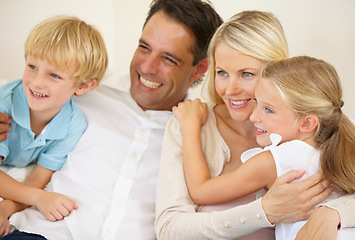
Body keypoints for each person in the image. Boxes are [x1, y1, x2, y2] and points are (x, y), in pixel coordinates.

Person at [0, 3, 355, 240]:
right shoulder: (90, 98)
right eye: (144, 47)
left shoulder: (308, 123)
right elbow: (26, 132)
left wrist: (330, 214)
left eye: (248, 74)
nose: (148, 68)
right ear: (211, 72)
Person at [0, 0, 222, 239]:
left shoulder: (203, 134)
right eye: (144, 47)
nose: (147, 67)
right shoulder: (84, 92)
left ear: (200, 69)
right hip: (42, 233)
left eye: (168, 59)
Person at [155, 11, 355, 240]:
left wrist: (331, 214)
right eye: (222, 73)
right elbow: (169, 229)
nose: (230, 89)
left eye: (246, 74)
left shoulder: (319, 125)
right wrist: (265, 212)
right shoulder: (191, 123)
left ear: (279, 69)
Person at [0, 15, 108, 235]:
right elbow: (35, 192)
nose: (37, 82)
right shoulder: (5, 106)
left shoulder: (72, 125)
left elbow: (37, 180)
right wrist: (40, 199)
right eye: (32, 66)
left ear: (83, 86)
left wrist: (5, 208)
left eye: (54, 75)